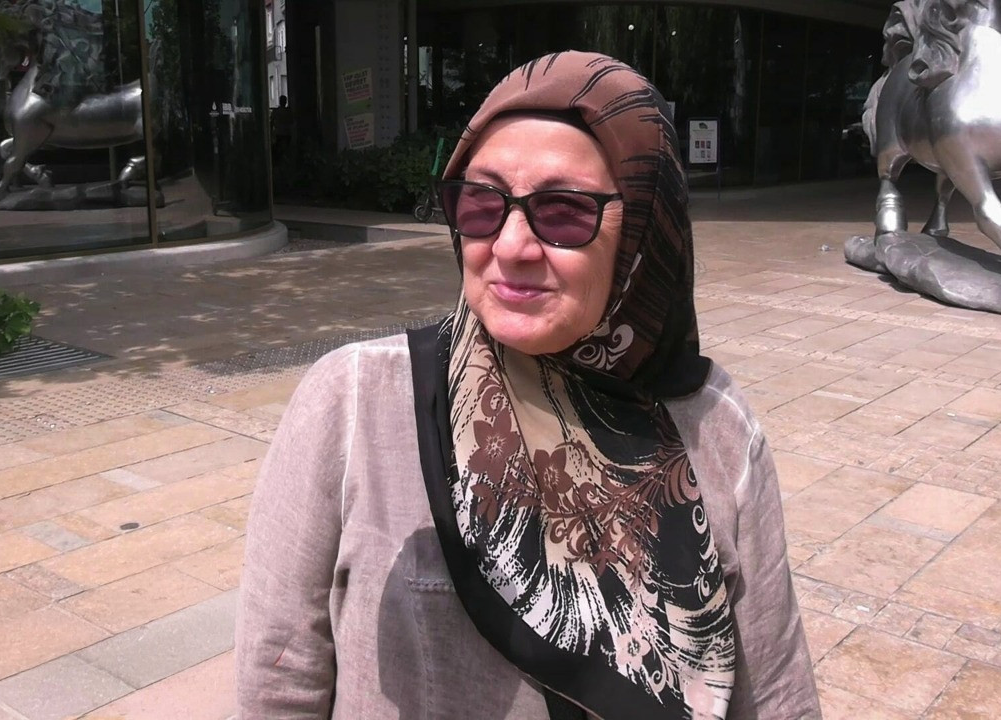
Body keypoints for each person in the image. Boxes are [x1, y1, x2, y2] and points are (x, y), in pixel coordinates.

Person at [236, 51, 820, 719]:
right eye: (482, 203)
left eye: (563, 212)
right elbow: (278, 684)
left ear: (642, 233)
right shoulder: (354, 403)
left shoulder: (715, 429)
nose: (510, 246)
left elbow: (777, 699)